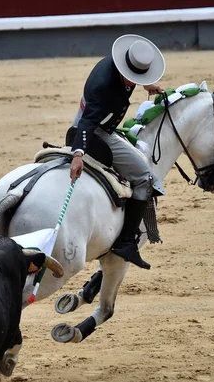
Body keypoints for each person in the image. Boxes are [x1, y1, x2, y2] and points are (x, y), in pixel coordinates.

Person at [69, 34, 166, 270]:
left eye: (138, 78)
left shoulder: (119, 65)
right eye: (133, 78)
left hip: (98, 125)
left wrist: (145, 84)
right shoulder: (103, 85)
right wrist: (78, 154)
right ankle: (125, 242)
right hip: (96, 133)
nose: (133, 83)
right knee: (145, 177)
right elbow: (88, 122)